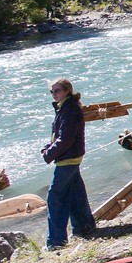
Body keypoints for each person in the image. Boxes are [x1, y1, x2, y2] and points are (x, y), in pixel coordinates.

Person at [42, 78, 96, 249]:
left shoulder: (70, 109)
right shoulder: (64, 107)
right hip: (71, 156)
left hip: (68, 158)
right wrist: (48, 147)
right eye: (51, 91)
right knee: (75, 194)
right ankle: (84, 226)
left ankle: (56, 242)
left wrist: (49, 154)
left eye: (56, 91)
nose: (54, 94)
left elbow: (65, 138)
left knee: (55, 198)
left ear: (66, 90)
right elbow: (58, 135)